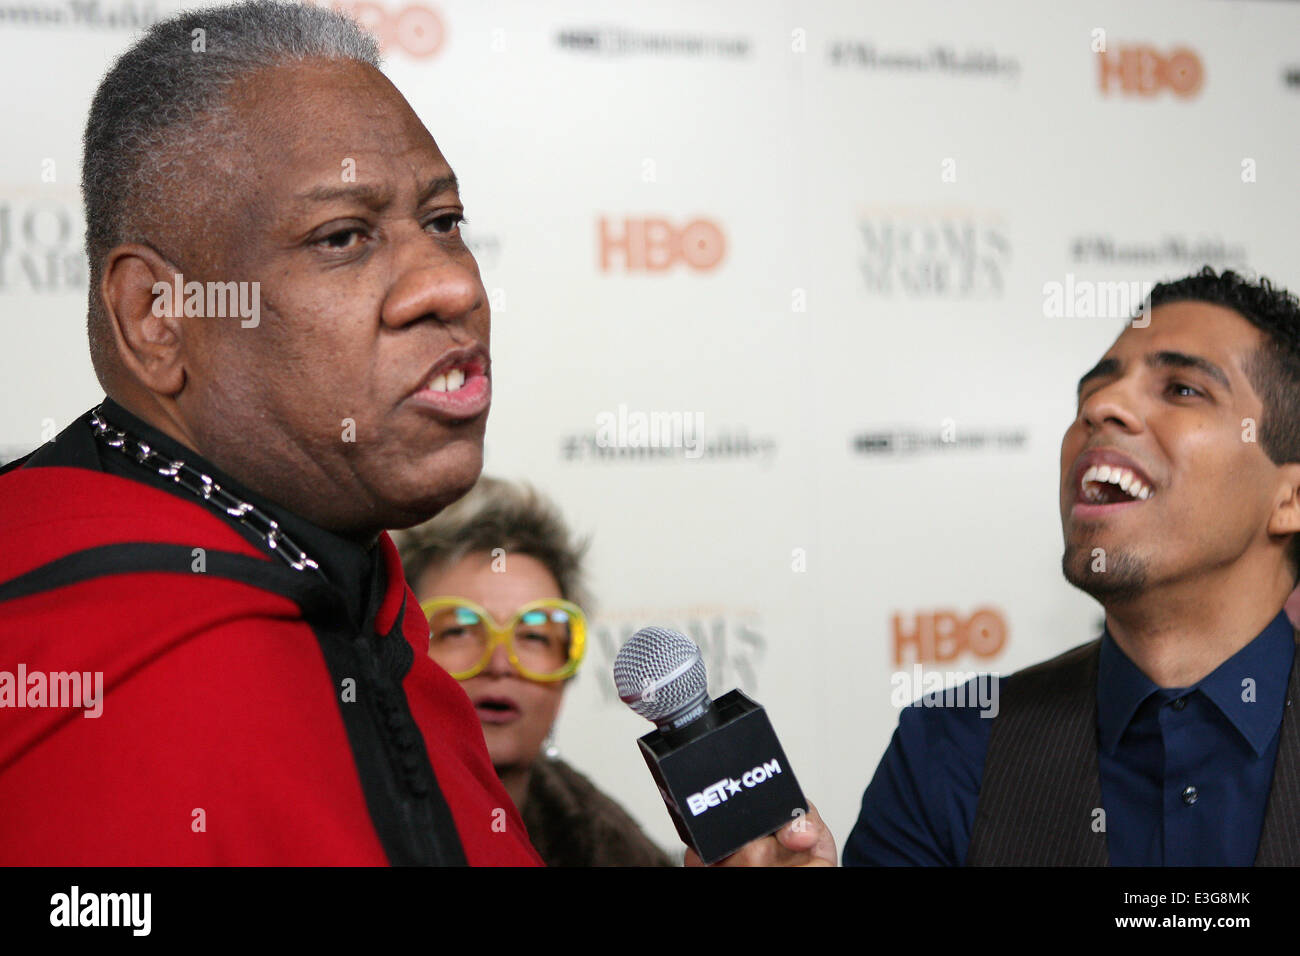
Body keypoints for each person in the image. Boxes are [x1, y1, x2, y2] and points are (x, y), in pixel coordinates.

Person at [0, 0, 833, 867]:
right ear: (156, 316)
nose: (449, 286)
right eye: (342, 237)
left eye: (444, 223)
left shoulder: (377, 622)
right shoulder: (58, 672)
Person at [845, 267, 1300, 866]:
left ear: (1289, 499)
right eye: (1093, 391)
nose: (1102, 407)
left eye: (1183, 389)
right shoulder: (948, 753)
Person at [395, 477, 675, 866]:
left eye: (534, 636)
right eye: (458, 630)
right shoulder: (336, 817)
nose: (500, 665)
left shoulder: (606, 846)